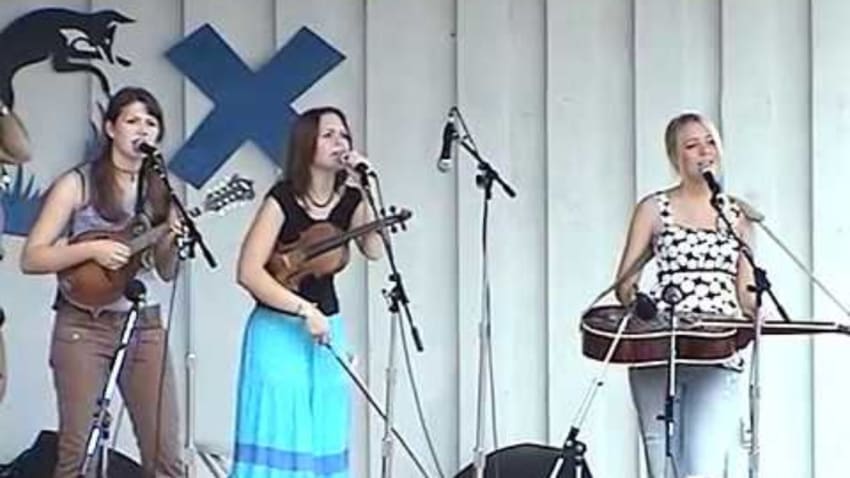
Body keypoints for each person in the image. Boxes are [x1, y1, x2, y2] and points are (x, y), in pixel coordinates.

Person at [20, 87, 184, 477]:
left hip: (144, 325)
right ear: (111, 128)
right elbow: (33, 257)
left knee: (165, 452)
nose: (142, 129)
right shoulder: (78, 183)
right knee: (79, 451)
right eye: (132, 121)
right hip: (83, 325)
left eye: (151, 122)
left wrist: (171, 237)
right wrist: (89, 252)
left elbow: (167, 271)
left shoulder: (162, 190)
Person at [232, 106, 383, 477]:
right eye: (328, 134)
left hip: (328, 327)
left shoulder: (350, 201)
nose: (339, 142)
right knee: (282, 428)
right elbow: (249, 272)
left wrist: (369, 187)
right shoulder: (283, 198)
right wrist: (303, 309)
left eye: (343, 135)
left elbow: (376, 249)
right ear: (307, 144)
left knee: (324, 427)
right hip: (279, 328)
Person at [614, 112, 756, 478]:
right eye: (691, 145)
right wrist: (640, 306)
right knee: (663, 465)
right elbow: (625, 282)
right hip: (661, 345)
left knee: (702, 468)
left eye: (710, 142)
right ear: (675, 157)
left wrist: (757, 309)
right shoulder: (653, 207)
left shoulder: (735, 213)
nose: (703, 152)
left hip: (717, 348)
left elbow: (746, 288)